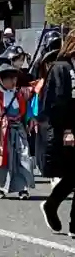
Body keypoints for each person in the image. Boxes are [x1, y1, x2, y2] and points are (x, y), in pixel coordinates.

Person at [39, 30, 75, 236]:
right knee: (73, 174)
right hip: (65, 129)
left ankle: (52, 205)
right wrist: (67, 130)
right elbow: (56, 103)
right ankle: (54, 207)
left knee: (73, 176)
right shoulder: (61, 69)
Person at [0, 63, 34, 200]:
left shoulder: (20, 95)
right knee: (2, 159)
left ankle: (23, 188)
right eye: (10, 78)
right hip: (2, 132)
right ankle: (0, 187)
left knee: (23, 157)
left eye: (15, 78)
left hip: (18, 130)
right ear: (2, 80)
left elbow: (27, 110)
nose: (13, 81)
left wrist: (31, 119)